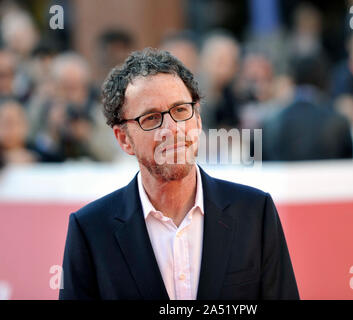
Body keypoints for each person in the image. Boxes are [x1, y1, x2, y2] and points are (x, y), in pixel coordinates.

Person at [59, 48, 299, 300]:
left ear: (197, 119)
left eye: (180, 110)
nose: (171, 129)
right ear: (124, 139)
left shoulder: (254, 213)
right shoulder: (91, 230)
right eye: (151, 118)